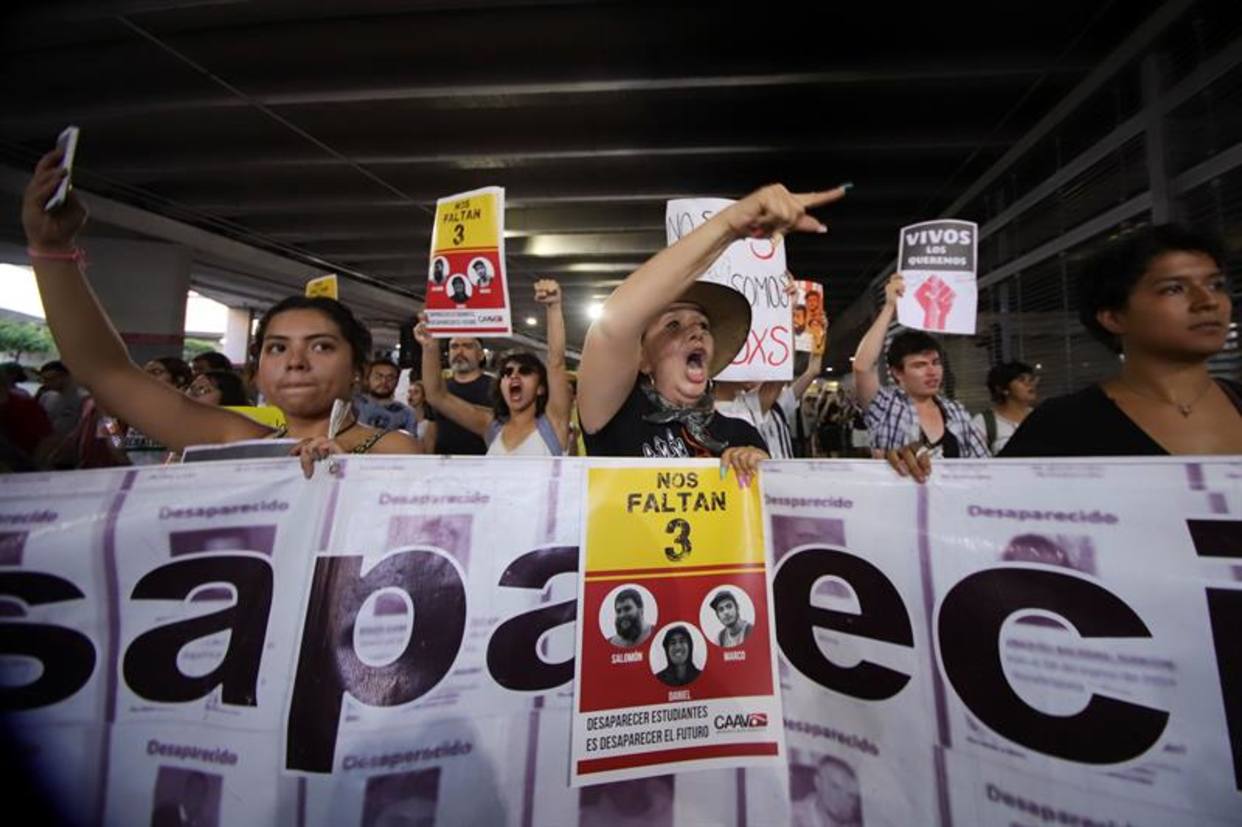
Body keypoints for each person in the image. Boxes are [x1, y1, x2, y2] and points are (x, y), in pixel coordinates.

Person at [20, 147, 423, 477]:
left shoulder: (395, 449)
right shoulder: (233, 441)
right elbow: (105, 372)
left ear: (358, 369)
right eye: (277, 348)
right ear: (258, 371)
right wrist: (52, 251)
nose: (295, 362)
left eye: (321, 347)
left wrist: (348, 475)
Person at [578, 184, 847, 479]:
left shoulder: (740, 434)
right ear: (643, 359)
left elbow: (763, 502)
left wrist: (759, 466)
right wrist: (729, 225)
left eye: (703, 325)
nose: (696, 331)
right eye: (673, 324)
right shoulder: (617, 414)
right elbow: (612, 326)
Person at [999, 224, 1242, 458]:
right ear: (1114, 318)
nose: (1208, 301)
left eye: (1216, 285)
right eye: (1173, 289)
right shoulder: (1060, 425)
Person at [417, 280, 570, 456]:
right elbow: (437, 396)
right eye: (507, 372)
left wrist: (553, 307)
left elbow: (556, 363)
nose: (514, 376)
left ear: (541, 388)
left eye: (525, 371)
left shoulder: (553, 424)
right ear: (501, 385)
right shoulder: (492, 427)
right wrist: (430, 346)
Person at [852, 272, 989, 469]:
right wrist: (889, 306)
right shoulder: (886, 407)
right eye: (919, 365)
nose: (932, 371)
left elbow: (984, 465)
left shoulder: (956, 411)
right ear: (897, 373)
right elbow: (862, 366)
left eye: (936, 362)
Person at [428, 334, 491, 455]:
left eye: (467, 346)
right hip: (444, 461)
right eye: (454, 346)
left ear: (480, 355)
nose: (459, 352)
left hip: (482, 461)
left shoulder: (497, 389)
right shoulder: (438, 387)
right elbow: (431, 431)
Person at [972, 361, 1038, 455]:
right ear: (1003, 389)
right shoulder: (983, 422)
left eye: (1031, 380)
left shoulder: (1041, 416)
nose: (1029, 384)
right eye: (1021, 380)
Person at [791, 755, 863, 827]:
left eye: (850, 795)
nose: (842, 798)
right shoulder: (792, 816)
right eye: (835, 787)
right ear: (818, 782)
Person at [355, 359, 419, 433]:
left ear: (397, 381)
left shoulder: (407, 413)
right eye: (378, 376)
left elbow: (410, 438)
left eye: (390, 378)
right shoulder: (355, 404)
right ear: (368, 379)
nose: (384, 381)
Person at [406, 380, 438, 454]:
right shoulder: (403, 421)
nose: (411, 395)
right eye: (409, 392)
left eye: (416, 392)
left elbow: (429, 451)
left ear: (424, 397)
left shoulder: (429, 425)